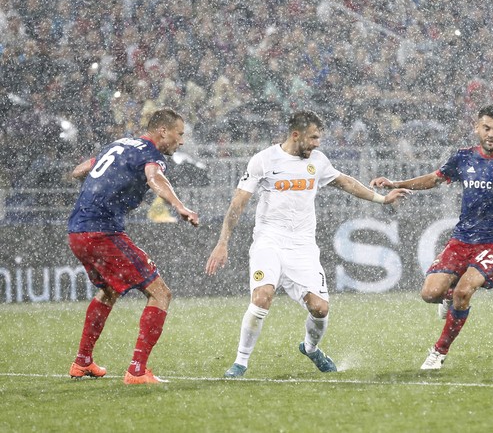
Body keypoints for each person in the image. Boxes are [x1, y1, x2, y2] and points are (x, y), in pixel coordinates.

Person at [205, 110, 409, 377]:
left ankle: (311, 348)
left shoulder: (318, 161)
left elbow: (345, 182)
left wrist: (382, 199)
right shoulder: (264, 160)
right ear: (295, 135)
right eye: (313, 138)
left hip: (303, 246)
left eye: (319, 138)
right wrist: (223, 243)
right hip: (270, 241)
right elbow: (238, 203)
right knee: (262, 298)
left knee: (320, 308)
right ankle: (240, 362)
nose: (317, 143)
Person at [370, 103, 493, 370]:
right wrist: (397, 183)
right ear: (476, 128)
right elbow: (434, 179)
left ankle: (438, 352)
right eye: (486, 128)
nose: (491, 134)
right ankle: (447, 298)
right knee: (429, 294)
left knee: (463, 292)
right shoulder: (463, 157)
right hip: (462, 239)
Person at [67, 108, 200, 385]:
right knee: (160, 293)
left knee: (108, 291)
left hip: (78, 231)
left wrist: (101, 185)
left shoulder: (119, 144)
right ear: (162, 131)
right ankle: (137, 371)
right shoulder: (149, 154)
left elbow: (79, 170)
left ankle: (82, 362)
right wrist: (180, 207)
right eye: (179, 134)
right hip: (103, 232)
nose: (182, 141)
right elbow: (155, 179)